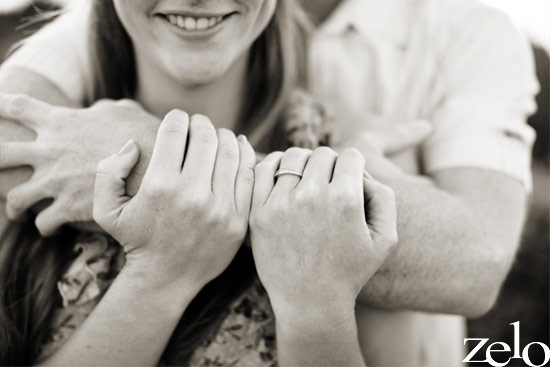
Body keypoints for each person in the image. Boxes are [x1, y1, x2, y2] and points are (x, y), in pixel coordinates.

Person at [0, 0, 539, 365]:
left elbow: (476, 261)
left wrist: (178, 176)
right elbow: (11, 124)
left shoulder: (463, 37)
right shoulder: (70, 120)